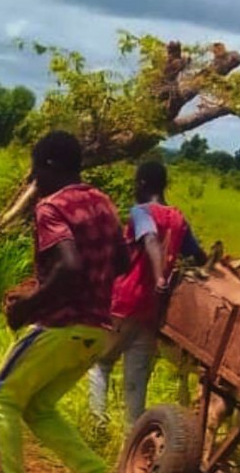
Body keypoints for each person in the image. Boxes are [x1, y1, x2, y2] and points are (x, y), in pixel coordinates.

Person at [0, 131, 128, 473]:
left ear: (49, 165)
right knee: (39, 407)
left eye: (35, 169)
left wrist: (30, 305)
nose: (33, 178)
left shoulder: (52, 207)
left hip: (63, 325)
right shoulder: (103, 202)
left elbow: (69, 266)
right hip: (97, 330)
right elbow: (123, 263)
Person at [88, 161, 206, 427]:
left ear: (142, 184)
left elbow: (150, 239)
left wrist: (159, 276)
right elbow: (198, 256)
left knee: (100, 362)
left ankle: (97, 424)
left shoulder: (141, 212)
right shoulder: (179, 219)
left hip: (124, 301)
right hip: (152, 312)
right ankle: (133, 436)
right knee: (136, 379)